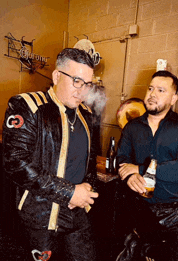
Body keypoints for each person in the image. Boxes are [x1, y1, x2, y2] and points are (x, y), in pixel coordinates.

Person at [2, 48, 100, 261]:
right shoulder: (27, 105)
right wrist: (69, 192)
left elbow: (90, 163)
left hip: (77, 212)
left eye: (88, 84)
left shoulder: (87, 116)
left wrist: (86, 190)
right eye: (76, 81)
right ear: (57, 76)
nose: (82, 91)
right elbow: (15, 163)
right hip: (40, 217)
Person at [116, 70, 178, 261]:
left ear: (174, 98)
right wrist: (129, 176)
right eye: (150, 88)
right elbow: (121, 160)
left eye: (161, 90)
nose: (152, 94)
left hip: (176, 212)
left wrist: (138, 169)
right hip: (139, 210)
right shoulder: (132, 127)